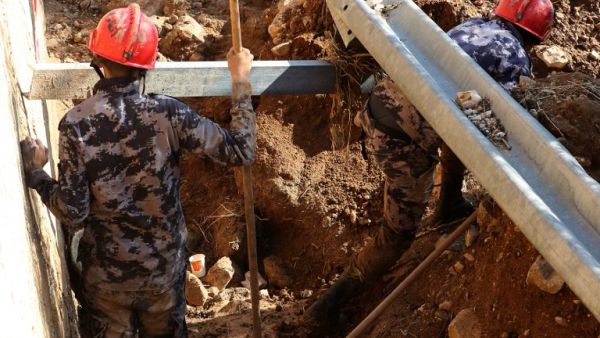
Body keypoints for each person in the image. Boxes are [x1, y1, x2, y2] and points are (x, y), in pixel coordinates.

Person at [305, 0, 554, 333]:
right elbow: (501, 123)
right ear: (536, 39)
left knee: (461, 125)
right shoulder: (514, 59)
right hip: (402, 143)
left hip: (382, 106)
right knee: (397, 237)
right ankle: (327, 306)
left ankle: (448, 203)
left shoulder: (471, 27)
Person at [19, 4, 255, 337]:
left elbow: (74, 211)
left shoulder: (76, 124)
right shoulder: (169, 114)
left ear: (97, 59)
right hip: (163, 277)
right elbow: (240, 150)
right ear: (148, 65)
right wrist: (241, 82)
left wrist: (37, 175)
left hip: (107, 285)